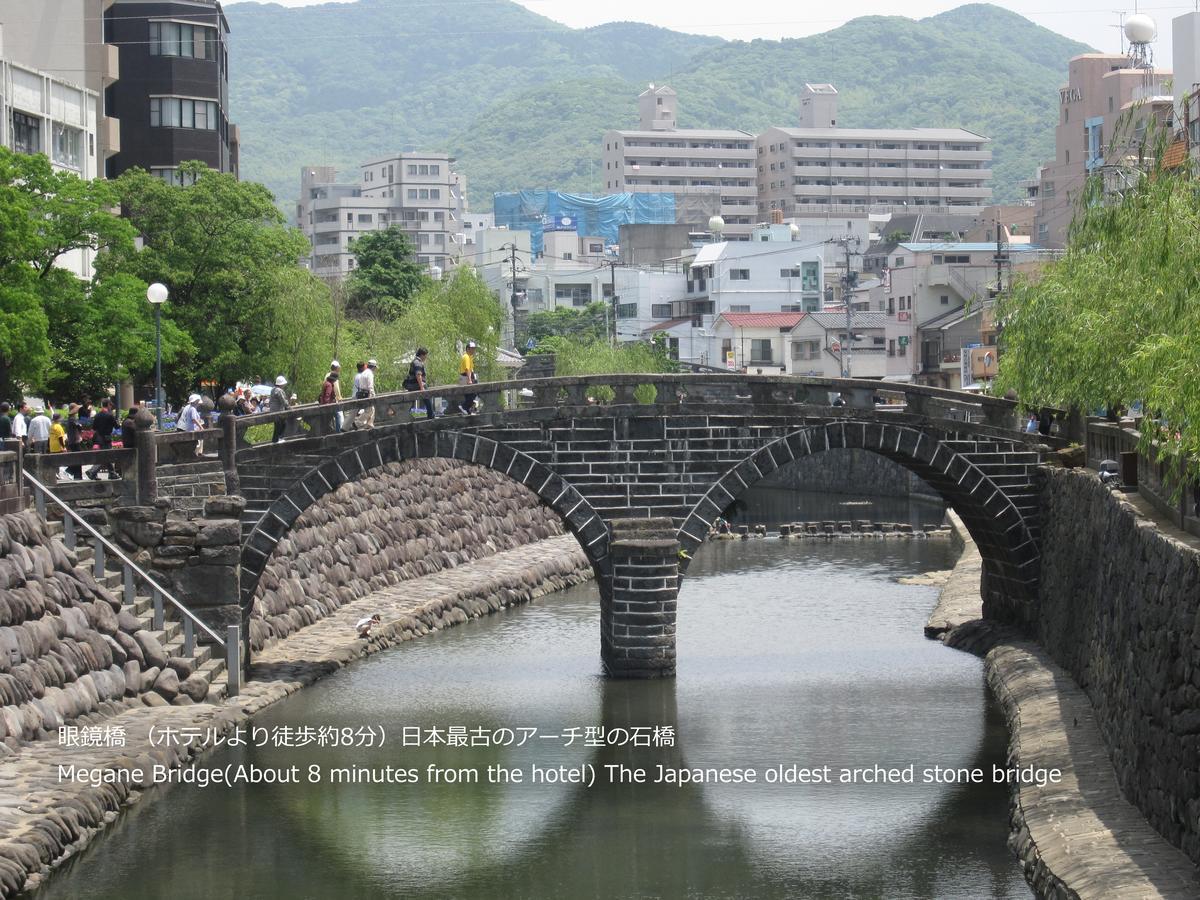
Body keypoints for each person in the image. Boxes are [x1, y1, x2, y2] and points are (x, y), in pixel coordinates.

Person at [86, 399, 118, 478]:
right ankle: (92, 471)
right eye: (110, 405)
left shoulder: (97, 415)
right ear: (107, 405)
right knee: (106, 455)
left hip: (99, 437)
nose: (111, 407)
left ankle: (112, 473)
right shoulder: (110, 415)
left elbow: (94, 427)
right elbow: (117, 426)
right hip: (107, 438)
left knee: (106, 455)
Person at [404, 348, 436, 419]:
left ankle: (405, 415)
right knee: (427, 398)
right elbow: (418, 375)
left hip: (413, 385)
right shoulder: (417, 363)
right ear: (422, 355)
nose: (426, 357)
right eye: (426, 356)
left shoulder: (415, 361)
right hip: (416, 385)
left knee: (412, 401)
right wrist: (422, 387)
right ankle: (431, 415)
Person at [318, 361, 344, 432]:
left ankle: (329, 430)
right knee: (339, 416)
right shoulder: (331, 382)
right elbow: (331, 392)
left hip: (326, 403)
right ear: (337, 368)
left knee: (329, 419)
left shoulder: (327, 376)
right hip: (330, 403)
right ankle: (338, 431)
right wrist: (339, 398)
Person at [458, 341, 478, 415]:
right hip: (465, 377)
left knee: (469, 395)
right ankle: (464, 407)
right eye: (471, 349)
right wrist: (469, 380)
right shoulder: (466, 357)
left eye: (474, 349)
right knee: (473, 393)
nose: (473, 350)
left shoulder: (470, 357)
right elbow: (467, 369)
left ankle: (468, 410)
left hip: (466, 377)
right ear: (467, 349)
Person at [269, 376, 290, 442]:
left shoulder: (273, 389)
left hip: (273, 410)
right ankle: (277, 439)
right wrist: (288, 407)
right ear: (281, 384)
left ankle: (276, 439)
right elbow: (283, 400)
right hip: (279, 411)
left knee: (278, 425)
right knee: (282, 424)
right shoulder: (279, 390)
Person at [361, 359, 378, 427]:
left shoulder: (364, 372)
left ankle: (369, 424)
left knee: (370, 410)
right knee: (370, 410)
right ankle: (357, 422)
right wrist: (373, 395)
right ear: (373, 367)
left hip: (362, 393)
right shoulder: (370, 374)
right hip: (368, 394)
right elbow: (370, 386)